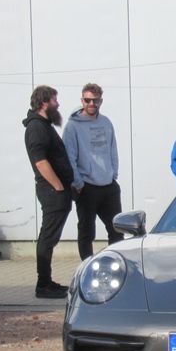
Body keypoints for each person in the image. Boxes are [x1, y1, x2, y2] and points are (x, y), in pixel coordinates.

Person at [22, 85, 74, 299]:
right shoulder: (36, 127)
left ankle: (47, 281)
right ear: (44, 102)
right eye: (54, 100)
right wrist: (58, 186)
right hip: (52, 191)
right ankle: (43, 285)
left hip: (57, 190)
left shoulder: (44, 125)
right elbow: (41, 162)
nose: (57, 104)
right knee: (47, 237)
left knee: (50, 238)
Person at [63, 83, 124, 260]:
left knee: (117, 229)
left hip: (108, 185)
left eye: (95, 100)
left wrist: (113, 174)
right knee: (87, 231)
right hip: (86, 186)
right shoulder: (72, 126)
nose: (91, 104)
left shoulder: (106, 122)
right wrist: (78, 183)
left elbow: (112, 150)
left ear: (100, 101)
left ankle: (115, 265)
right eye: (88, 100)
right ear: (82, 100)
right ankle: (87, 267)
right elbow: (69, 157)